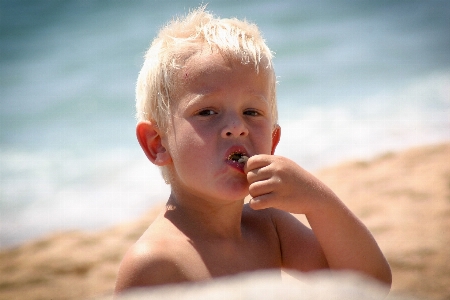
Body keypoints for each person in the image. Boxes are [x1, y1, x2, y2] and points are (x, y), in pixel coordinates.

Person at [114, 6, 392, 293]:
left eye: (252, 111)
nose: (237, 127)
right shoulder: (155, 263)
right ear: (157, 143)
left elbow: (370, 285)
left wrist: (319, 202)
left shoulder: (270, 227)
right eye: (207, 111)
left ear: (272, 140)